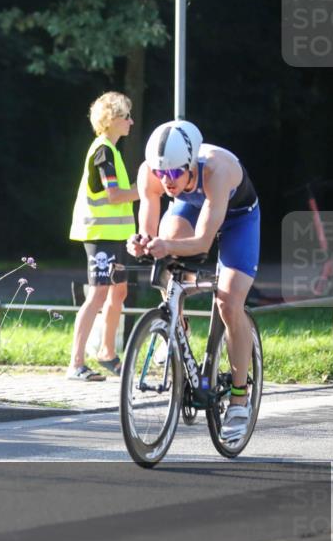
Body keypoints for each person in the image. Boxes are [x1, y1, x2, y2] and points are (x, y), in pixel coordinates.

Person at [127, 120, 260, 440]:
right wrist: (141, 243)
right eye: (162, 174)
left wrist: (166, 246)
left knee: (228, 302)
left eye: (174, 174)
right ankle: (176, 325)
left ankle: (240, 400)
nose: (167, 181)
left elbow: (202, 241)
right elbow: (149, 229)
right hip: (192, 207)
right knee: (165, 243)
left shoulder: (217, 170)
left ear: (190, 164)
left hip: (238, 220)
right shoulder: (153, 172)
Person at [67, 92, 139, 381]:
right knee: (97, 294)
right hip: (100, 235)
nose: (131, 122)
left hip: (116, 236)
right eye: (126, 117)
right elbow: (113, 195)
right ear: (111, 120)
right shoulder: (103, 151)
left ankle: (107, 353)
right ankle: (75, 364)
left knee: (118, 292)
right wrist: (145, 188)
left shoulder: (112, 150)